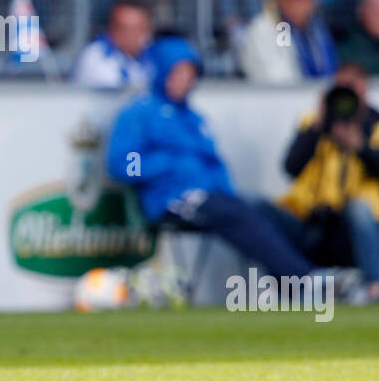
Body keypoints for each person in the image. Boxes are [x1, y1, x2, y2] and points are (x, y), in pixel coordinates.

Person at [105, 36, 326, 283]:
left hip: (211, 196)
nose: (184, 82)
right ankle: (301, 279)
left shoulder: (194, 119)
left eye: (189, 75)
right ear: (162, 71)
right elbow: (125, 164)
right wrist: (168, 165)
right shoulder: (140, 114)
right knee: (237, 214)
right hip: (170, 198)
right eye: (177, 73)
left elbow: (214, 164)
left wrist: (228, 192)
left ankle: (315, 274)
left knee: (265, 210)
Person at [256, 63, 379, 302]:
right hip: (311, 219)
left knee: (360, 209)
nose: (347, 95)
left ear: (365, 89)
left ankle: (377, 288)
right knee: (257, 209)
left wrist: (359, 146)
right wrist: (318, 127)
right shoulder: (315, 122)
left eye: (353, 88)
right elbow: (291, 167)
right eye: (341, 87)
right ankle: (294, 287)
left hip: (352, 227)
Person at [238, 0, 337, 83]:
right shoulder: (273, 27)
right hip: (279, 99)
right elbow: (278, 77)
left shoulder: (316, 31)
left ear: (313, 1)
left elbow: (329, 69)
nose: (296, 3)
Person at [71, 0, 153, 89]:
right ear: (110, 28)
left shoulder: (149, 56)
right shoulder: (96, 57)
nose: (130, 35)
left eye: (138, 29)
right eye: (123, 28)